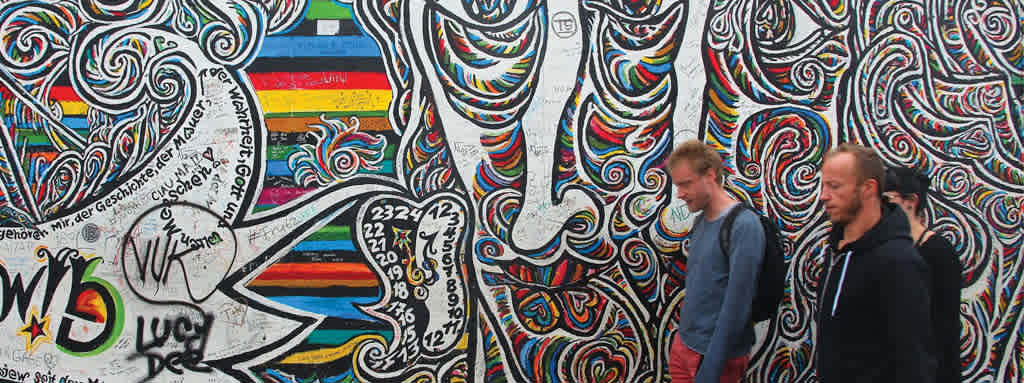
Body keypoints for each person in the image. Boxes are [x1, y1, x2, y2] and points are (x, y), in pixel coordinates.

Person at [815, 143, 936, 383]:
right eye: (824, 185)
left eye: (834, 186)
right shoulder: (837, 250)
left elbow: (913, 360)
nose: (823, 196)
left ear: (868, 188)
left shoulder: (898, 263)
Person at [667, 139, 765, 383]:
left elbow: (737, 308)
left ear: (710, 175)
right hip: (685, 347)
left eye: (686, 184)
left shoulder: (744, 226)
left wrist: (710, 370)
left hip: (715, 360)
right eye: (677, 186)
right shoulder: (701, 222)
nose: (680, 194)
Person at [884, 166, 962, 383]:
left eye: (886, 199)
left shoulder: (938, 253)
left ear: (911, 201)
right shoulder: (888, 249)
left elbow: (945, 328)